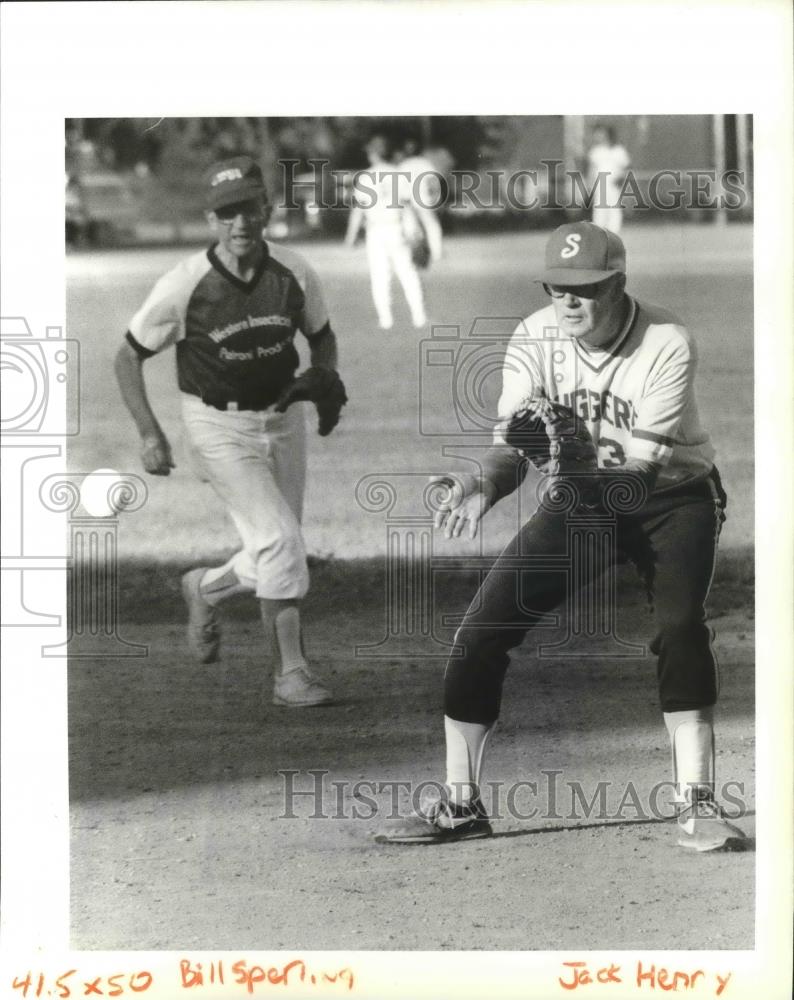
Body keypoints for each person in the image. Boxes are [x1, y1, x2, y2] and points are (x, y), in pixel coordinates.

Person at [377, 221, 747, 852]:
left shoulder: (666, 341)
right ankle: (460, 806)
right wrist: (484, 486)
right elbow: (514, 442)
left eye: (587, 288)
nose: (569, 301)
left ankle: (697, 805)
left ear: (618, 284)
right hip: (580, 499)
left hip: (670, 500)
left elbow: (637, 480)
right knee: (479, 632)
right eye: (558, 288)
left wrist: (572, 469)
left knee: (680, 627)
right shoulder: (533, 336)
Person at [115, 155, 341, 707]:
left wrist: (326, 376)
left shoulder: (293, 271)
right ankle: (291, 676)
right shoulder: (186, 284)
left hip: (282, 419)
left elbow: (322, 334)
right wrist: (150, 433)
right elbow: (127, 356)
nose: (240, 222)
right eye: (227, 213)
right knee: (282, 541)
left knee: (272, 545)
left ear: (266, 209)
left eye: (249, 208)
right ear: (212, 219)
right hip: (217, 424)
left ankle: (205, 587)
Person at [344, 133, 435, 330]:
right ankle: (419, 317)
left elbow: (358, 210)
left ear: (375, 155)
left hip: (376, 231)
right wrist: (416, 230)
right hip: (397, 228)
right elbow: (408, 205)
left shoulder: (366, 177)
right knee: (408, 273)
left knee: (379, 276)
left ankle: (386, 320)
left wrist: (350, 237)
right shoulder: (399, 174)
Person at [587, 124, 631, 234]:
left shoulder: (618, 151)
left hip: (613, 186)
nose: (599, 137)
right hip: (600, 186)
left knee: (614, 212)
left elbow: (626, 168)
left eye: (602, 134)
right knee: (599, 212)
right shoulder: (596, 152)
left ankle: (613, 237)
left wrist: (622, 180)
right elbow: (591, 170)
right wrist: (590, 185)